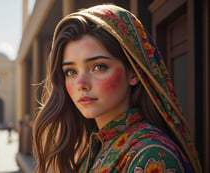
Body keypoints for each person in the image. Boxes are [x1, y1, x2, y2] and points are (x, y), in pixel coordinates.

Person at [32, 4, 202, 173]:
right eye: (71, 71)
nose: (81, 84)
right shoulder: (93, 148)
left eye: (98, 67)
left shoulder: (152, 155)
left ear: (133, 73)